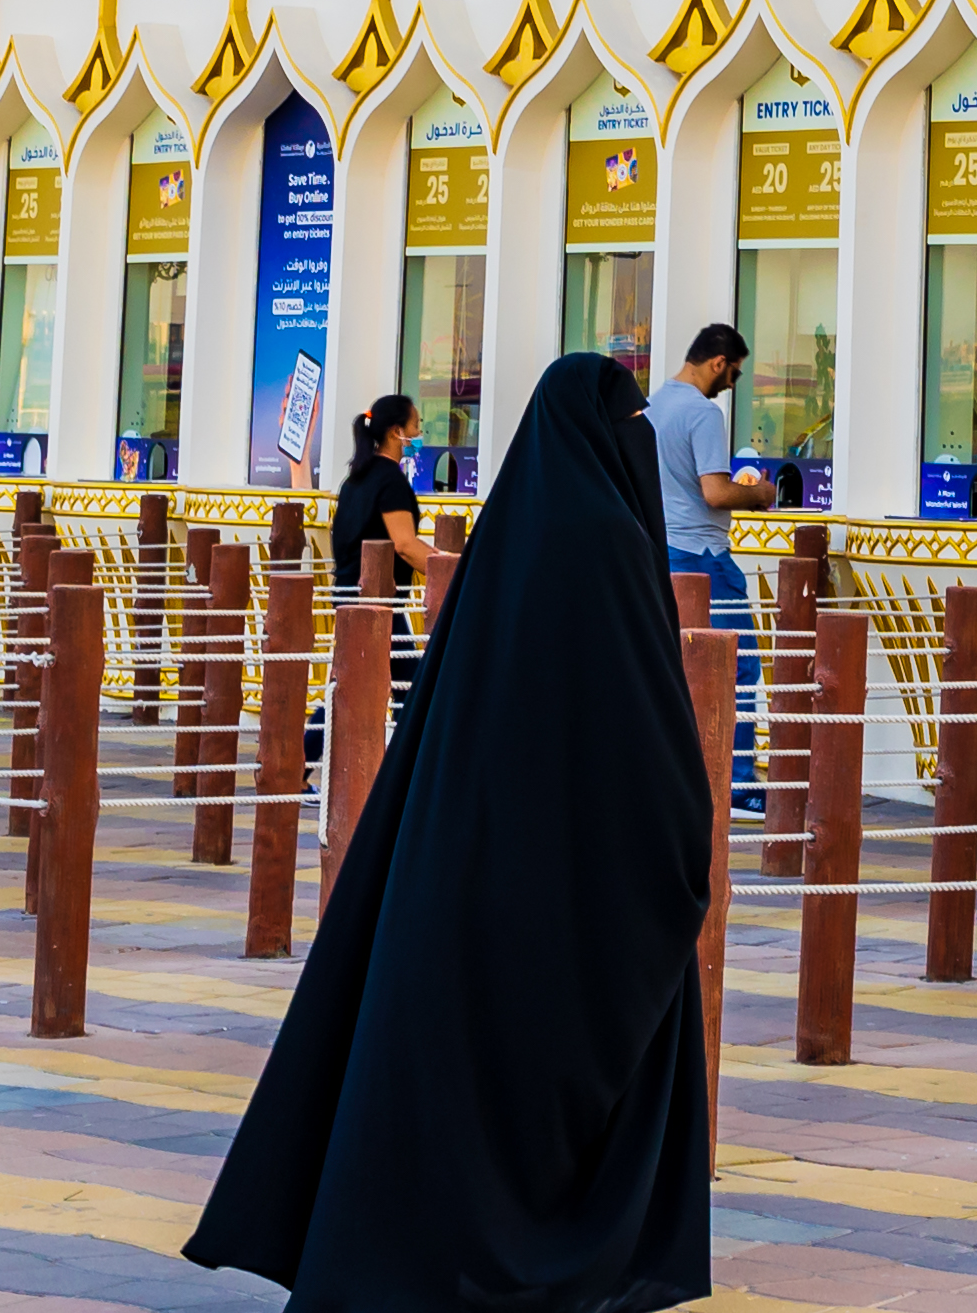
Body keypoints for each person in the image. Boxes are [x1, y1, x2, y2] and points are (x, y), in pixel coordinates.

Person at [190, 351, 711, 1313]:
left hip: (466, 862)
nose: (642, 438)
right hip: (573, 874)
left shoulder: (515, 535)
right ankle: (554, 1247)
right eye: (634, 422)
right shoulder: (607, 541)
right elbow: (643, 729)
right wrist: (683, 842)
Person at [644, 327, 770, 819]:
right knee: (737, 665)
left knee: (675, 667)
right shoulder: (702, 412)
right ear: (719, 362)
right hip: (704, 553)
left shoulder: (654, 406)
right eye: (735, 372)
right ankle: (736, 782)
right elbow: (716, 492)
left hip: (663, 551)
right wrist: (759, 493)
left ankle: (682, 774)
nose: (733, 384)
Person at [332, 394, 431, 592]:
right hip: (374, 599)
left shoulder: (355, 477)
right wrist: (453, 573)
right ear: (396, 431)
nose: (419, 432)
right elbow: (404, 544)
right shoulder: (391, 480)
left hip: (349, 591)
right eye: (415, 425)